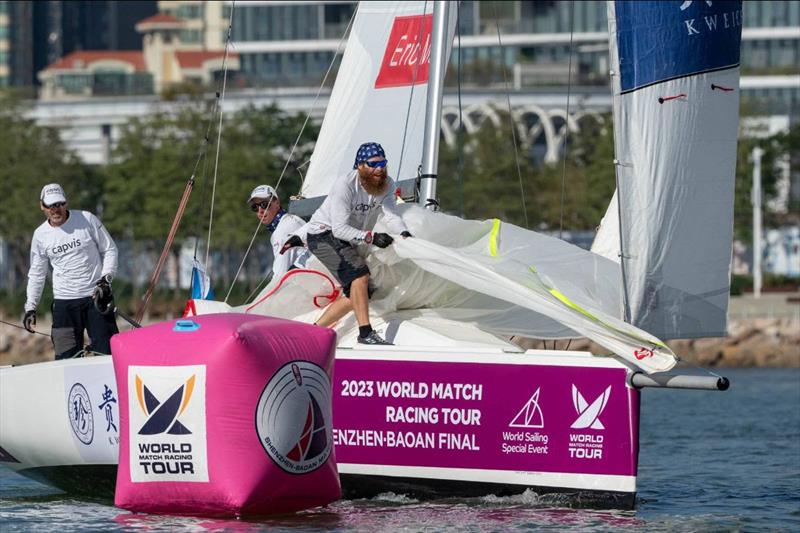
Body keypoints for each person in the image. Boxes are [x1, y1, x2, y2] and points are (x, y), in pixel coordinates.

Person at [301, 142, 411, 345]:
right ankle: (365, 333)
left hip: (348, 238)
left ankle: (314, 331)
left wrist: (403, 233)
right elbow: (339, 229)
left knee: (361, 292)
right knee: (359, 275)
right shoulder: (345, 185)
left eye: (383, 163)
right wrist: (372, 237)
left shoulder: (387, 185)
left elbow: (391, 216)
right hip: (323, 235)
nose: (379, 169)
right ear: (360, 166)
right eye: (373, 164)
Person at [23, 183, 119, 359]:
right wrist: (31, 307)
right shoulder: (40, 235)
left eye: (59, 204)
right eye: (51, 206)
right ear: (42, 207)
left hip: (96, 298)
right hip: (64, 304)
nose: (55, 210)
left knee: (108, 355)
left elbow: (110, 249)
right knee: (66, 359)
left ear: (66, 203)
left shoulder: (87, 219)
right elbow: (37, 273)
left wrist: (106, 280)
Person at [247, 184, 310, 280]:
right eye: (255, 207)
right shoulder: (288, 221)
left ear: (277, 203)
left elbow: (279, 277)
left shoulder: (283, 231)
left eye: (264, 205)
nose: (260, 211)